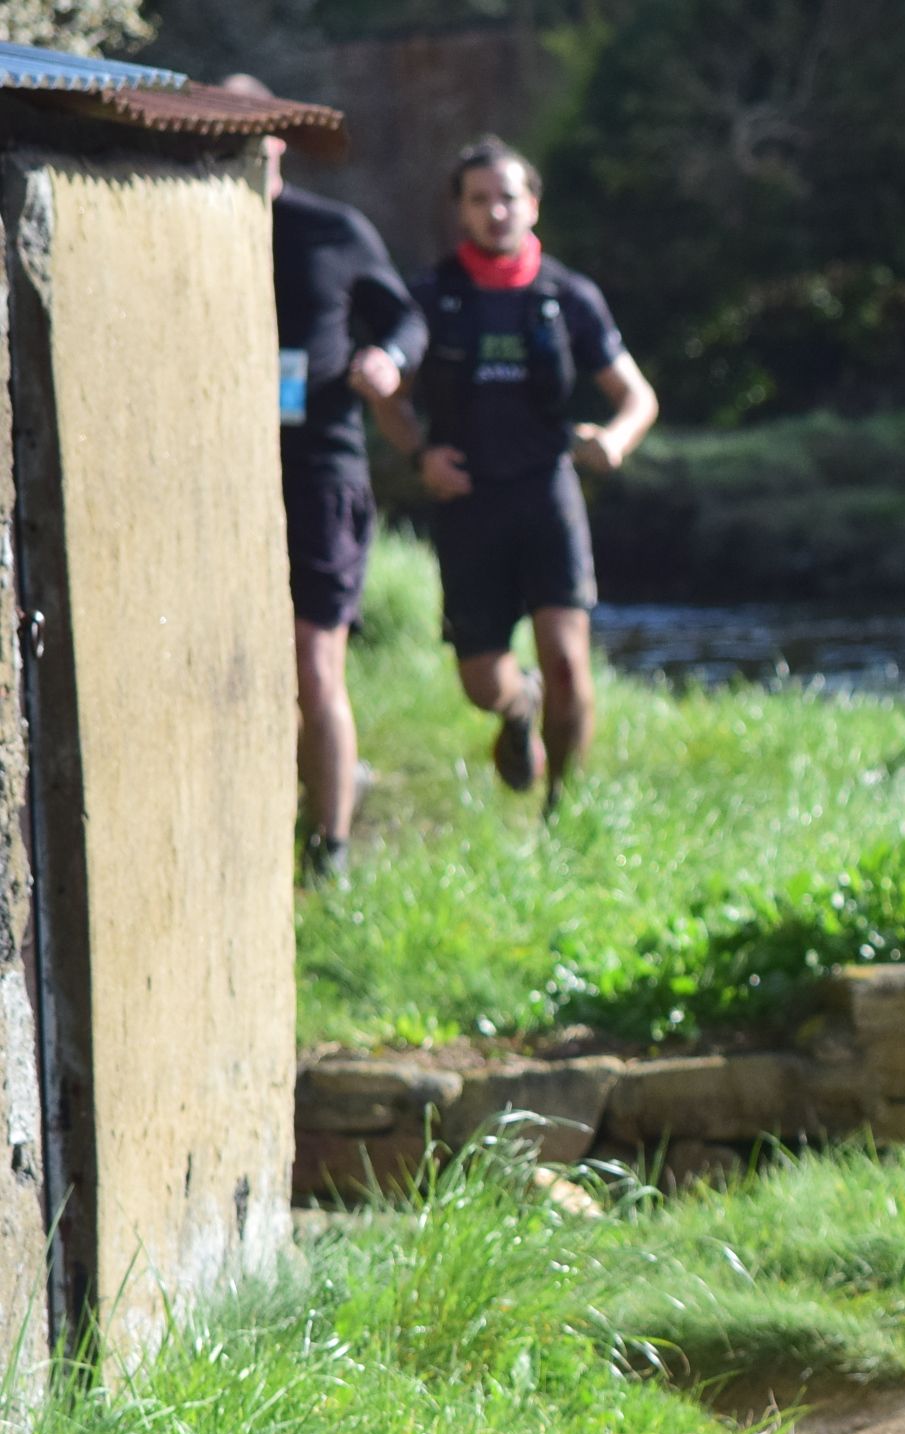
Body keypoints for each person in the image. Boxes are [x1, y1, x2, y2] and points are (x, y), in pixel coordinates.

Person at [399, 136, 658, 810]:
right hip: (467, 503)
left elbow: (637, 397)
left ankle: (563, 810)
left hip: (547, 495)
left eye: (508, 198)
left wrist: (615, 440)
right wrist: (421, 456)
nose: (496, 212)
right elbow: (389, 395)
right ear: (460, 211)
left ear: (533, 206)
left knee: (568, 662)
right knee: (482, 683)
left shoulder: (569, 296)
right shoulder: (429, 296)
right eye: (479, 200)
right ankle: (519, 707)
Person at [230, 75, 424, 881]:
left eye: (253, 136)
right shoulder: (197, 223)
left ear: (278, 142)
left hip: (319, 471)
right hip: (227, 476)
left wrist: (389, 359)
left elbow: (405, 316)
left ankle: (330, 851)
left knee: (315, 666)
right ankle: (267, 834)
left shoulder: (333, 232)